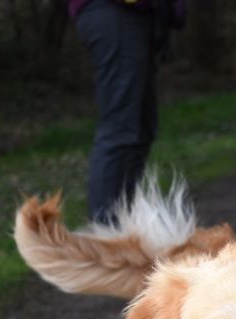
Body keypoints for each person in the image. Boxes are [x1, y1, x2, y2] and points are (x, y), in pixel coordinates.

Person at [68, 0, 183, 223]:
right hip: (115, 10)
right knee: (121, 129)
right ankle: (107, 238)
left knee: (141, 128)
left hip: (136, 13)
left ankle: (123, 227)